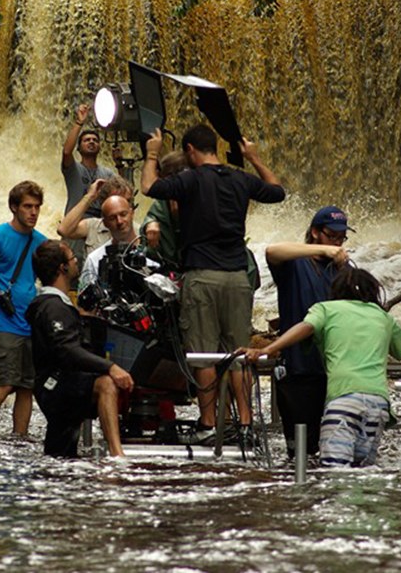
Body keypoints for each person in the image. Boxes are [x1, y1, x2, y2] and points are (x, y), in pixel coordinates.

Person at [141, 124, 286, 444]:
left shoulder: (189, 180)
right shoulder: (239, 177)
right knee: (239, 353)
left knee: (204, 354)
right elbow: (277, 191)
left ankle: (208, 426)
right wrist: (255, 158)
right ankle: (246, 426)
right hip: (237, 278)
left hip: (202, 276)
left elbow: (148, 186)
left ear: (190, 150)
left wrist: (153, 152)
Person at [240, 268, 401, 467]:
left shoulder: (326, 309)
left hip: (344, 400)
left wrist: (267, 349)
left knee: (336, 472)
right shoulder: (383, 316)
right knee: (365, 471)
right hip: (378, 404)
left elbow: (305, 327)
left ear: (336, 290)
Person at [27, 240, 134, 457]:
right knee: (105, 384)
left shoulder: (55, 304)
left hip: (57, 383)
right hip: (55, 386)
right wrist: (110, 367)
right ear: (62, 268)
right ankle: (117, 455)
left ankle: (57, 470)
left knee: (61, 450)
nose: (77, 261)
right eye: (72, 258)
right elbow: (67, 350)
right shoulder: (52, 307)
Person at [264, 206, 352, 458]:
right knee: (301, 451)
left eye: (341, 237)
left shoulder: (341, 270)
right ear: (315, 232)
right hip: (298, 367)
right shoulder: (295, 265)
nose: (337, 242)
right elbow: (272, 251)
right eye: (331, 235)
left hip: (334, 370)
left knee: (333, 449)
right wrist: (323, 249)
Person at [0, 181, 48, 436]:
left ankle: (20, 436)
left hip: (31, 325)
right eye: (27, 206)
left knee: (27, 387)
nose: (33, 212)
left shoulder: (41, 242)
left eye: (37, 207)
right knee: (4, 385)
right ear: (14, 207)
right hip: (5, 326)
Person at [78, 194, 157, 292]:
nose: (119, 221)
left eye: (123, 214)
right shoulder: (95, 259)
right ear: (105, 223)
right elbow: (84, 301)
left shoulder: (153, 253)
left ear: (132, 213)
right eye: (112, 218)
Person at [57, 176, 135, 261]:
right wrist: (89, 197)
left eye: (128, 201)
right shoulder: (93, 226)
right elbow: (63, 230)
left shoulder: (140, 231)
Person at [61, 103, 115, 219]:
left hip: (98, 227)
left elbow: (121, 192)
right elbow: (66, 152)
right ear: (79, 148)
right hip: (74, 225)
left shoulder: (107, 173)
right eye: (87, 140)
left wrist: (120, 164)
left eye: (95, 140)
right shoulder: (73, 169)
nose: (91, 142)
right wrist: (79, 122)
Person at [140, 151, 189, 269]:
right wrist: (149, 223)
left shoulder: (201, 200)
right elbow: (152, 217)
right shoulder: (162, 203)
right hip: (169, 268)